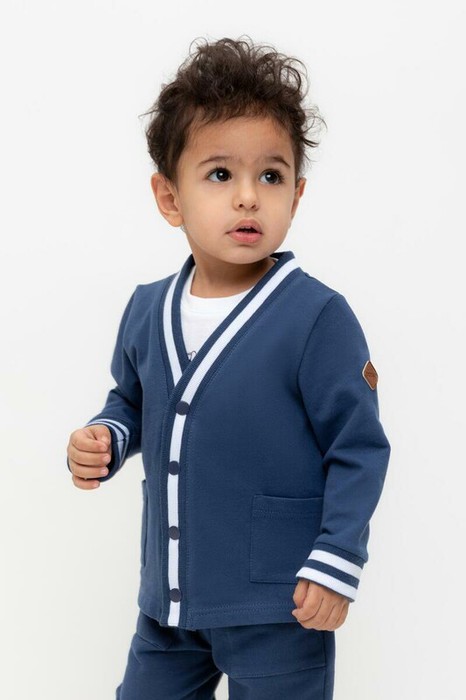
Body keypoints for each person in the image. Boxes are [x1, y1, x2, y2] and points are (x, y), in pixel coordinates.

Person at [66, 35, 391, 700]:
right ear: (169, 197)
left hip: (279, 603)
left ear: (296, 195)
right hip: (168, 603)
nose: (248, 197)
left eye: (271, 176)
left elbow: (358, 447)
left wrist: (336, 561)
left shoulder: (317, 317)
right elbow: (131, 402)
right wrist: (107, 436)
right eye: (220, 175)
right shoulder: (147, 308)